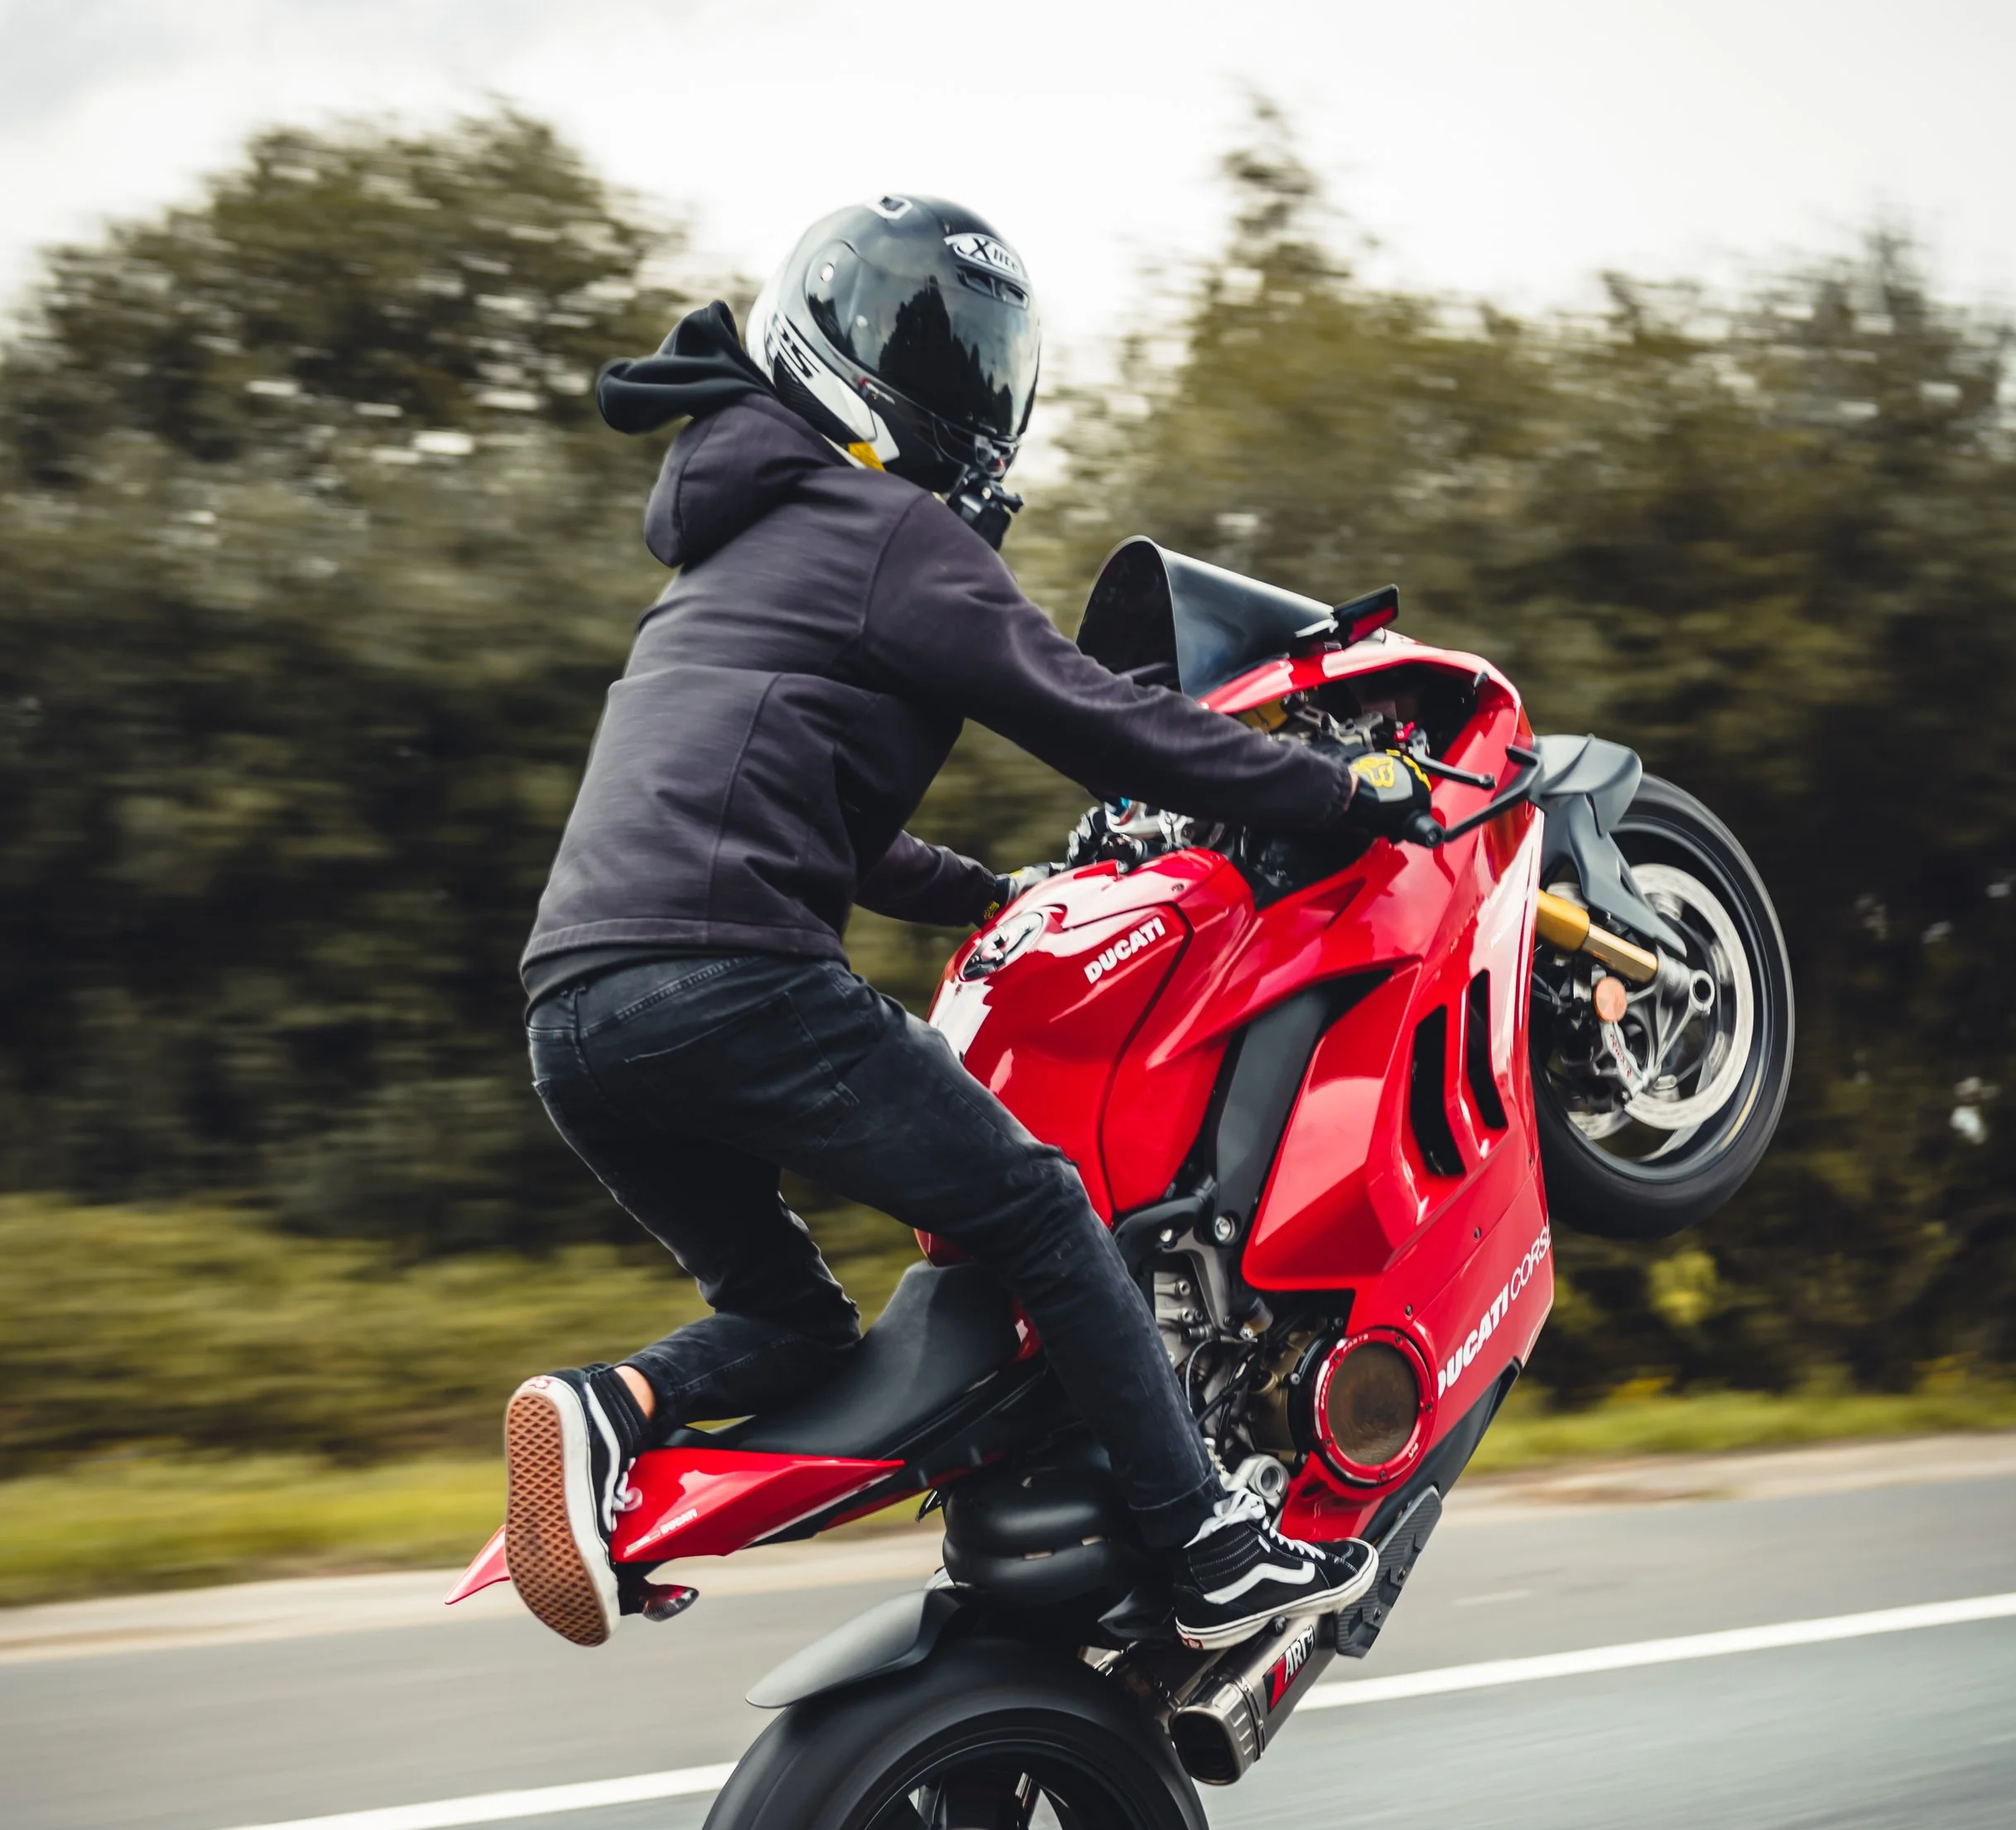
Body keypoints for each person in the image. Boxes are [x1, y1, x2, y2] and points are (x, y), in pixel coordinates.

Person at [506, 192, 1388, 1653]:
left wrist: (985, 893)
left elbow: (833, 836)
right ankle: (1209, 1548)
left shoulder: (731, 548)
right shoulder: (890, 530)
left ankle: (609, 1409)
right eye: (955, 352)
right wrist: (1332, 795)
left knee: (792, 1320)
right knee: (1038, 1208)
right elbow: (1102, 721)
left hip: (575, 1017)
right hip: (734, 981)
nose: (973, 384)